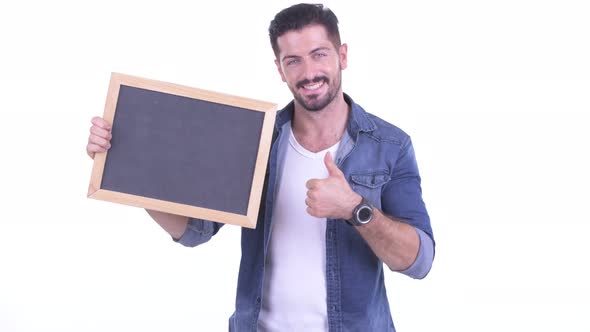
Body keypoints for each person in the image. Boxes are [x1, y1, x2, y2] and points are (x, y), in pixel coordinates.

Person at [86, 3, 435, 331]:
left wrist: (354, 208)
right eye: (293, 60)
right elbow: (194, 231)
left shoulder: (390, 146)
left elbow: (418, 260)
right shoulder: (256, 140)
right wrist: (127, 163)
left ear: (342, 56)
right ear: (280, 69)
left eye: (319, 55)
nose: (309, 72)